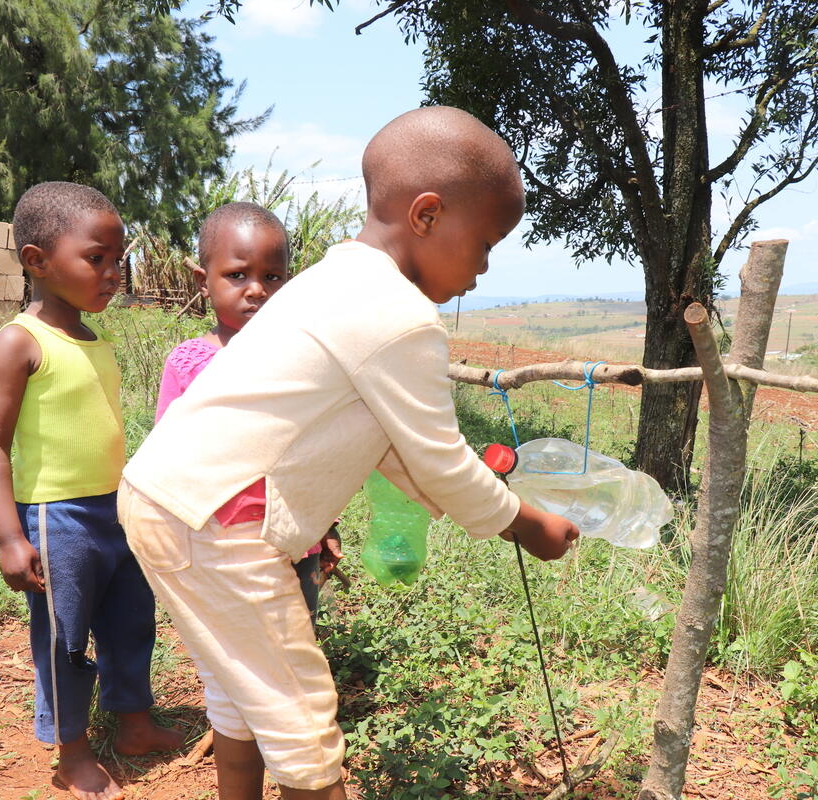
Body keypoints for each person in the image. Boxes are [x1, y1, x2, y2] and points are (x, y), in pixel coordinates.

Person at [118, 106, 580, 800]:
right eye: (485, 243)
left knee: (250, 693)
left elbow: (394, 447)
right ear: (426, 215)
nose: (484, 270)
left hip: (171, 499)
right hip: (218, 522)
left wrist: (476, 499)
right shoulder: (400, 318)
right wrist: (525, 522)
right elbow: (440, 459)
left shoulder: (335, 279)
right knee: (303, 730)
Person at [0, 182, 183, 800]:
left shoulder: (95, 339)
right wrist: (11, 537)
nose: (114, 273)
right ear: (37, 260)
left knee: (130, 622)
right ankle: (72, 751)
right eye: (97, 258)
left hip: (117, 511)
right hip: (56, 520)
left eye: (119, 259)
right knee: (65, 638)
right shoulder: (20, 342)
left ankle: (135, 723)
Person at [153, 201, 341, 623]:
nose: (257, 289)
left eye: (272, 277)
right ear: (204, 281)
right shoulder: (188, 364)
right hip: (221, 545)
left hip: (294, 539)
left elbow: (315, 453)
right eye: (237, 275)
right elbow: (166, 462)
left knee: (295, 642)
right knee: (234, 653)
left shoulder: (303, 361)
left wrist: (326, 523)